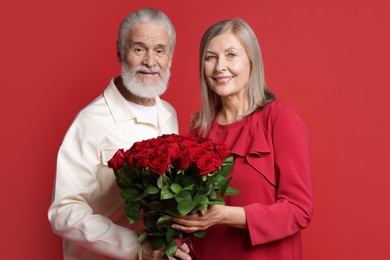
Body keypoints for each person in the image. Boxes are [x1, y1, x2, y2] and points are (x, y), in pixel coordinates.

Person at [48, 8, 191, 260]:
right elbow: (63, 210)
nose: (150, 61)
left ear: (170, 56)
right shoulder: (91, 120)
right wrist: (135, 247)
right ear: (120, 51)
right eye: (139, 49)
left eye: (160, 50)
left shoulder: (169, 113)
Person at [171, 18, 313, 260]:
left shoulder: (278, 119)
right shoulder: (198, 129)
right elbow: (190, 208)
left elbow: (299, 210)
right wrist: (178, 242)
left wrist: (227, 215)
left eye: (231, 55)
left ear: (251, 61)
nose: (219, 67)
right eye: (211, 57)